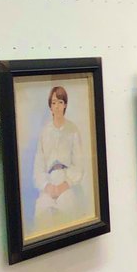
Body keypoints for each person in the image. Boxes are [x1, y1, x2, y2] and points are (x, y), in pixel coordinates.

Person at [32, 85, 86, 233]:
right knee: (41, 210)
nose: (57, 106)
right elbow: (38, 165)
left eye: (60, 102)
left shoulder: (73, 130)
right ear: (50, 106)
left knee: (67, 208)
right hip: (49, 181)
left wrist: (65, 185)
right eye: (54, 102)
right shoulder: (44, 132)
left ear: (65, 105)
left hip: (66, 181)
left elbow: (79, 165)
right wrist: (47, 186)